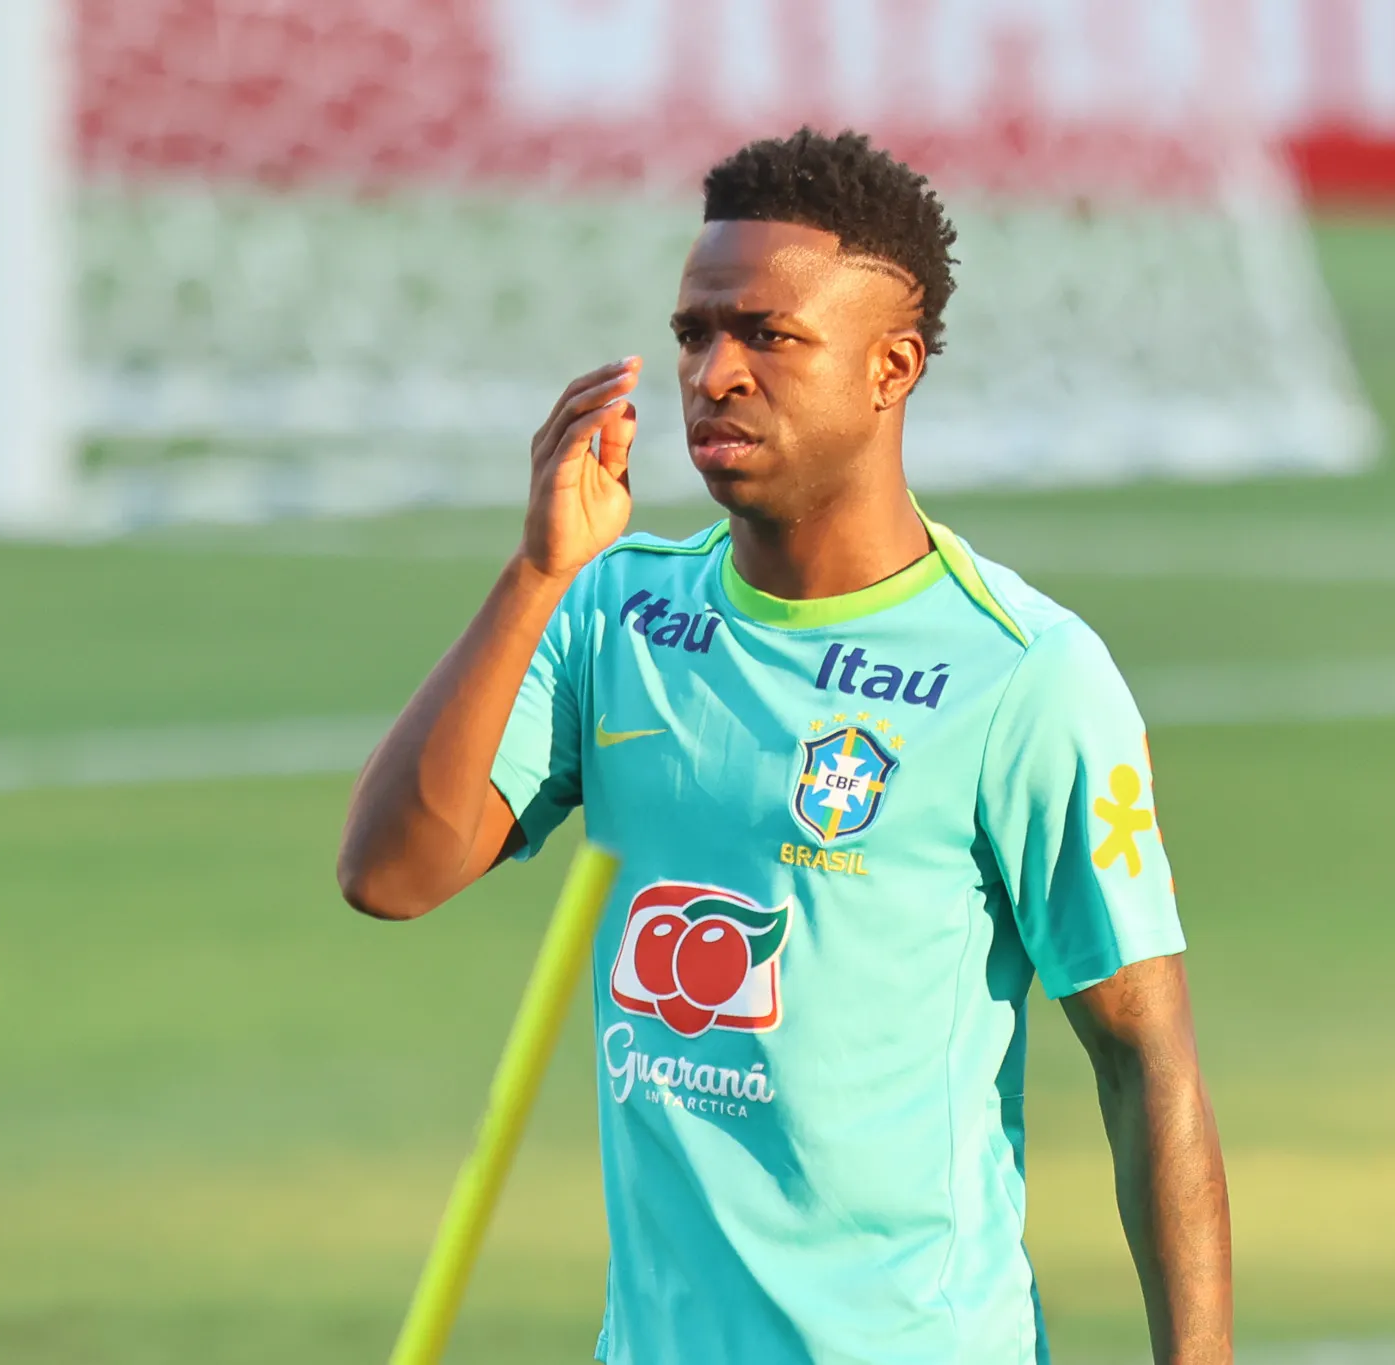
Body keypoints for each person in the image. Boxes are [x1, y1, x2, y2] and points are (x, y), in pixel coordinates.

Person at [338, 127, 1230, 1365]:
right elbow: (388, 874)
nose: (714, 373)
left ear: (891, 367)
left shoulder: (1021, 673)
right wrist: (536, 574)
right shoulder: (613, 613)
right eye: (695, 332)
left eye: (770, 335)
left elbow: (1148, 1062)